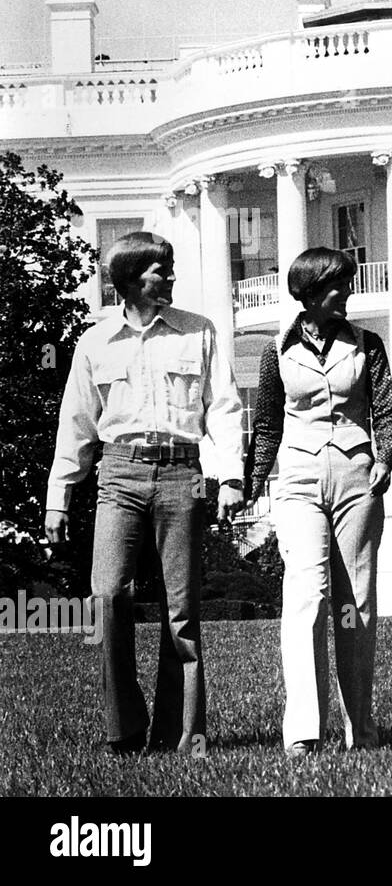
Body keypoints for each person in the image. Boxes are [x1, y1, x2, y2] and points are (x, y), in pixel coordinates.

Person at [44, 231, 244, 754]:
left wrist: (230, 478)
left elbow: (222, 407)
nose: (173, 277)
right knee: (108, 595)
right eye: (163, 270)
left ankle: (182, 735)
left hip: (183, 474)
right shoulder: (94, 344)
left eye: (172, 268)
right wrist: (59, 497)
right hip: (119, 474)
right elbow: (77, 424)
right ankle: (125, 729)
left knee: (181, 608)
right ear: (132, 280)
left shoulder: (198, 332)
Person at [245, 248, 392, 756]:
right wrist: (249, 484)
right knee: (307, 595)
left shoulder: (367, 344)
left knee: (354, 603)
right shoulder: (276, 349)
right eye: (339, 287)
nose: (349, 293)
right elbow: (267, 423)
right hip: (296, 478)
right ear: (311, 292)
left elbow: (386, 410)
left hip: (358, 477)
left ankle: (362, 728)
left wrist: (388, 457)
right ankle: (304, 732)